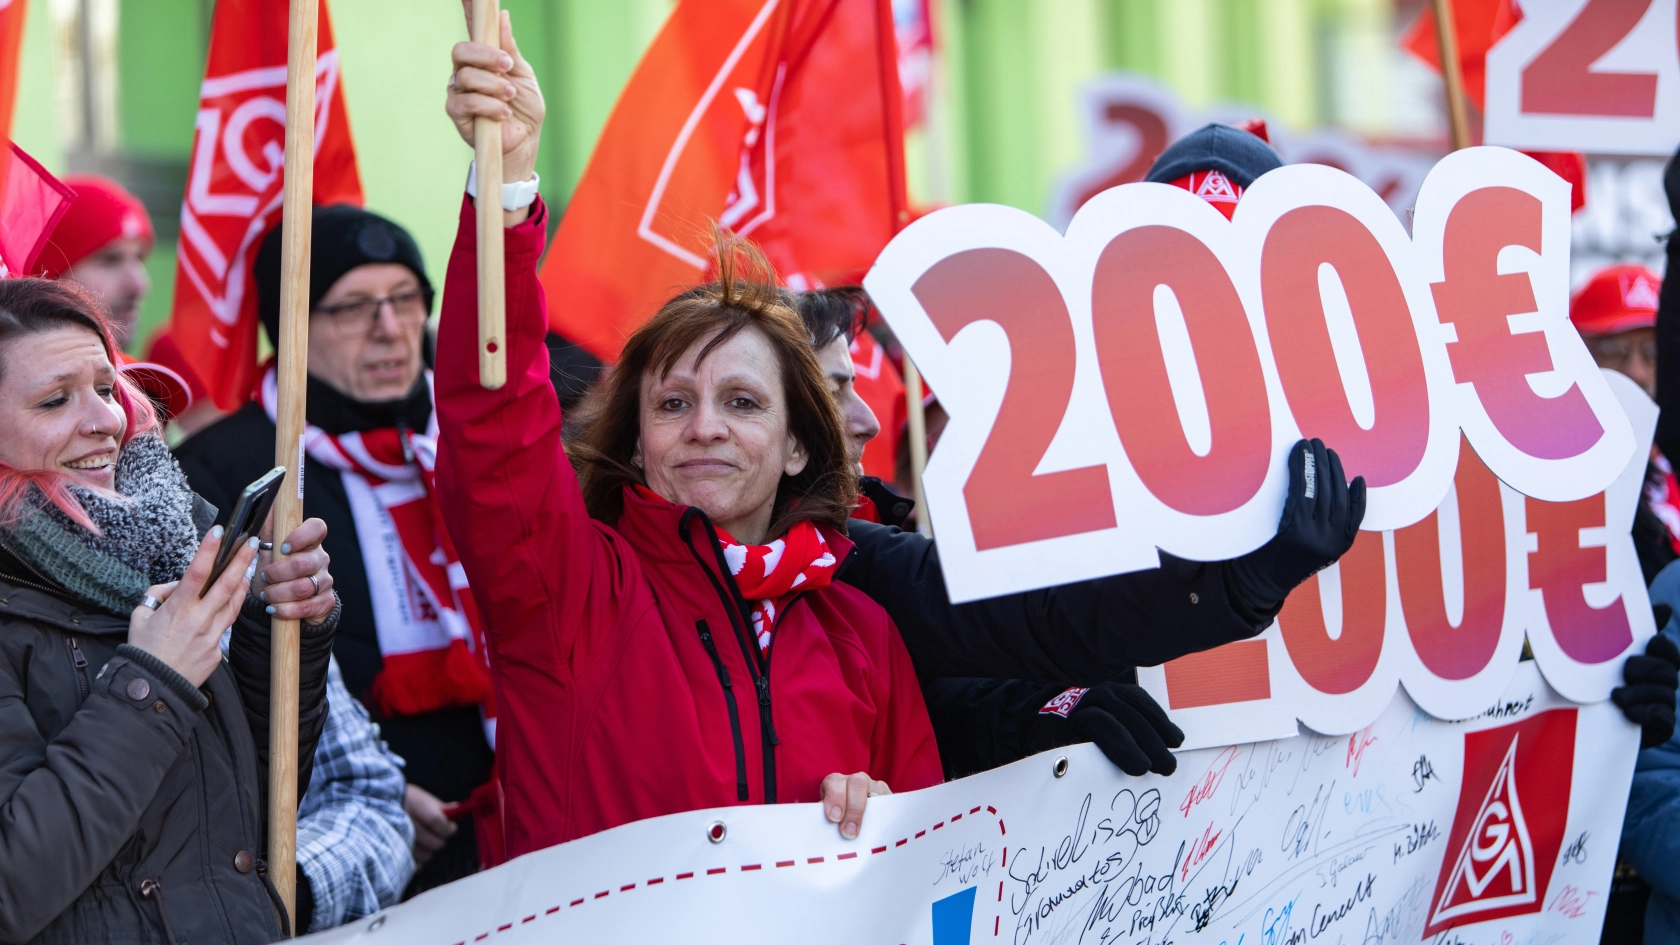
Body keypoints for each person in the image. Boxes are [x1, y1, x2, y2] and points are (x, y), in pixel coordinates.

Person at [437, 17, 943, 854]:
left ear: (798, 444)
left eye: (743, 402)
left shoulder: (864, 634)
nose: (704, 426)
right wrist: (508, 187)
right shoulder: (571, 598)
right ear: (636, 442)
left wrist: (888, 829)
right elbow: (491, 430)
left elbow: (930, 879)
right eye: (673, 404)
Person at [0, 277, 340, 942]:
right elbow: (13, 883)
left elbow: (246, 811)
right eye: (53, 400)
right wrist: (155, 678)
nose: (104, 419)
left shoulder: (173, 537)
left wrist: (275, 627)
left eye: (105, 385)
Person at [173, 205, 491, 895]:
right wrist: (375, 791)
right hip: (344, 832)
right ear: (291, 326)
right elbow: (220, 679)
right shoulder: (224, 469)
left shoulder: (469, 437)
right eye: (352, 308)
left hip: (504, 813)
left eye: (406, 299)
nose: (390, 329)